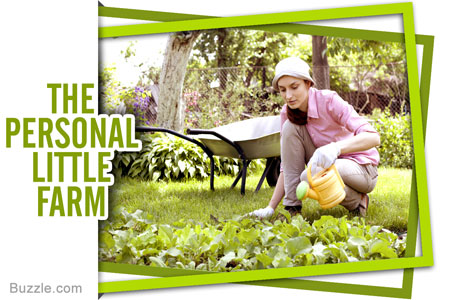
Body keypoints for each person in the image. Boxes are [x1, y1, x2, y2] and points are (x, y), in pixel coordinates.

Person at [249, 57, 380, 218]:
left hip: (362, 168)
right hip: (325, 167)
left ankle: (357, 200)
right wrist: (270, 207)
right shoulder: (287, 113)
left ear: (308, 84)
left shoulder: (329, 100)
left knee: (309, 175)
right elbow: (287, 166)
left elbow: (373, 138)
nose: (288, 95)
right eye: (283, 90)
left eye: (294, 87)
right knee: (290, 127)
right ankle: (293, 210)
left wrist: (336, 148)